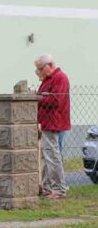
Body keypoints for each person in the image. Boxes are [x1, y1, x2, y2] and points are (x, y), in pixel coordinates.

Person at [36, 54, 70, 199]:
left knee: (53, 157)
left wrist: (39, 97)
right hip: (45, 123)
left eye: (40, 69)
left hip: (54, 123)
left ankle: (59, 190)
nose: (39, 72)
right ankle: (46, 188)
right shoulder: (48, 79)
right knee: (46, 157)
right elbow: (43, 96)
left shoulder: (60, 78)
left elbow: (56, 100)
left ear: (49, 65)